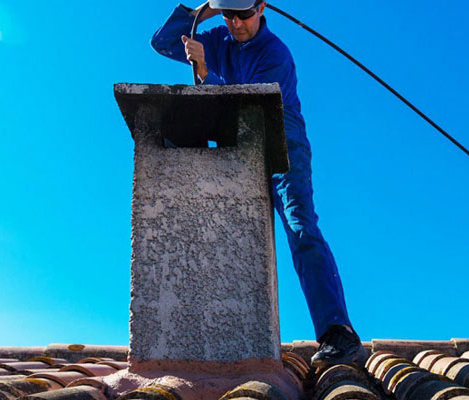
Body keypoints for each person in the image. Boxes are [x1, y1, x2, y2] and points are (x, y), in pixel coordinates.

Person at [150, 0, 366, 369]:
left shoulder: (275, 53)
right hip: (240, 143)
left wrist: (204, 69)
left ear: (262, 7)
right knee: (226, 233)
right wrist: (200, 12)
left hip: (282, 142)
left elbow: (250, 102)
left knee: (301, 229)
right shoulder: (218, 36)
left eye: (243, 14)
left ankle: (337, 333)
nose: (236, 23)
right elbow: (164, 43)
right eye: (229, 14)